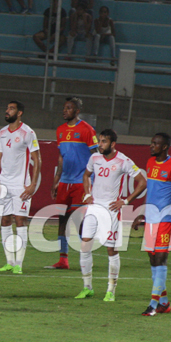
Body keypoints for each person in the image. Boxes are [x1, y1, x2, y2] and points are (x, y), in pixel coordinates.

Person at [76, 129, 147, 301]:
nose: (100, 144)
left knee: (111, 250)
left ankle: (111, 290)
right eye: (99, 141)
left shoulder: (123, 161)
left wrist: (126, 201)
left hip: (111, 210)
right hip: (93, 207)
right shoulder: (94, 158)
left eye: (103, 142)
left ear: (112, 144)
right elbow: (86, 175)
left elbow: (143, 182)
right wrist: (86, 194)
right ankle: (87, 288)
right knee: (85, 246)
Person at [132, 133, 171, 316]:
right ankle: (164, 303)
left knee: (161, 258)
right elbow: (151, 193)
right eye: (151, 143)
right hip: (151, 218)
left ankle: (153, 305)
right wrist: (142, 214)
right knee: (153, 259)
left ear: (164, 147)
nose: (151, 146)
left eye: (155, 144)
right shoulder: (150, 163)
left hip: (166, 219)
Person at [47, 96, 98, 269]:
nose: (64, 110)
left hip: (80, 182)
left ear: (76, 111)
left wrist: (92, 181)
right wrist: (56, 180)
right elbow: (61, 158)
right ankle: (63, 260)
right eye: (64, 108)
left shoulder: (87, 130)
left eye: (68, 108)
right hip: (65, 182)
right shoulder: (60, 130)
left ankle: (86, 258)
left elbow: (96, 156)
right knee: (62, 220)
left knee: (78, 220)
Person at [0, 101, 41, 274]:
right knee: (5, 221)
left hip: (20, 186)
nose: (7, 111)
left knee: (20, 221)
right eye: (7, 108)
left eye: (11, 109)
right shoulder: (2, 132)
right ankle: (9, 262)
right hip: (4, 184)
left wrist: (33, 184)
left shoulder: (27, 132)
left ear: (20, 113)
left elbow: (37, 159)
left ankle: (19, 264)